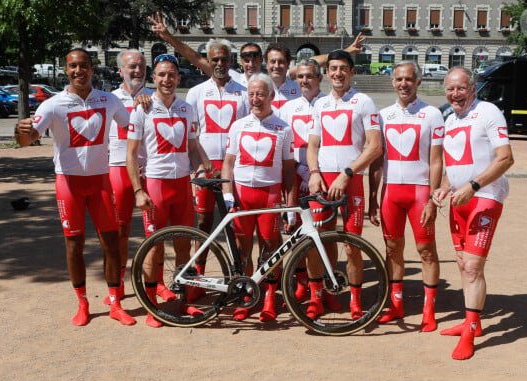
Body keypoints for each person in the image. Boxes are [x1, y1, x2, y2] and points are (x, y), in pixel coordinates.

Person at [15, 48, 136, 326]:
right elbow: (26, 140)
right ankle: (82, 304)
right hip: (68, 183)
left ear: (92, 68)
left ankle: (115, 303)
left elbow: (132, 129)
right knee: (74, 245)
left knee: (112, 244)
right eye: (73, 66)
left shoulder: (108, 101)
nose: (78, 71)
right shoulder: (54, 104)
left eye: (83, 65)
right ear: (66, 70)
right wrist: (19, 131)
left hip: (101, 182)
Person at [432, 67, 514, 360]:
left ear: (474, 88)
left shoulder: (489, 111)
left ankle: (470, 333)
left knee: (471, 267)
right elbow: (453, 164)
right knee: (462, 263)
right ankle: (472, 322)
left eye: (461, 88)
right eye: (450, 89)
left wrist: (474, 184)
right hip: (459, 201)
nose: (455, 94)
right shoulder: (450, 118)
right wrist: (444, 187)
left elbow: (506, 158)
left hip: (486, 197)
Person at [127, 53, 214, 327]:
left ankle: (184, 301)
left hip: (181, 186)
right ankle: (153, 304)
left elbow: (191, 146)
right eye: (161, 75)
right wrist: (138, 191)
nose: (167, 79)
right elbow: (131, 155)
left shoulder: (186, 108)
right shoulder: (142, 108)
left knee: (183, 247)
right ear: (154, 78)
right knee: (153, 249)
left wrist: (203, 165)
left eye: (172, 75)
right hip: (155, 184)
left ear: (178, 78)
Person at [367, 61, 444, 332]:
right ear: (392, 82)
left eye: (409, 79)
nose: (404, 84)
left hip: (420, 191)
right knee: (392, 250)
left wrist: (434, 199)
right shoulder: (382, 115)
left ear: (418, 82)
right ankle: (395, 304)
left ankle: (429, 309)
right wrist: (372, 199)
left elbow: (436, 161)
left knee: (426, 250)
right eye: (399, 79)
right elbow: (376, 162)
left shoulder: (432, 114)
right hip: (391, 192)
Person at [306, 50, 382, 320]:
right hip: (322, 181)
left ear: (351, 72)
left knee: (352, 245)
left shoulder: (363, 102)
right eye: (333, 68)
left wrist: (348, 173)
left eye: (343, 68)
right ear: (327, 73)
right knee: (317, 241)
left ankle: (355, 299)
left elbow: (375, 147)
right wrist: (314, 173)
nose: (337, 73)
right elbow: (312, 145)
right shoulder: (320, 104)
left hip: (351, 181)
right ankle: (316, 297)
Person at [221, 73, 296, 322]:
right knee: (243, 250)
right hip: (243, 194)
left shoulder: (283, 128)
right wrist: (227, 192)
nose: (255, 99)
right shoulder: (238, 125)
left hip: (270, 195)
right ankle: (247, 296)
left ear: (271, 96)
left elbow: (288, 169)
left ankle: (269, 298)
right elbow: (228, 163)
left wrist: (290, 205)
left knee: (270, 248)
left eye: (260, 93)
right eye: (251, 94)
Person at [147, 11, 367, 86]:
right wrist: (168, 37)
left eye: (254, 57)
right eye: (246, 57)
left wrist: (346, 52)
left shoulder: (271, 77)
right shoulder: (230, 77)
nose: (250, 62)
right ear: (240, 61)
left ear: (261, 60)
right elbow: (194, 57)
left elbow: (310, 62)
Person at [186, 39, 249, 242]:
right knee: (204, 222)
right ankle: (198, 270)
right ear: (208, 61)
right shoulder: (196, 92)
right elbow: (191, 134)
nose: (220, 64)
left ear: (231, 60)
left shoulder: (244, 92)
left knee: (235, 221)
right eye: (215, 59)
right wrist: (202, 165)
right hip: (207, 166)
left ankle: (236, 271)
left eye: (224, 59)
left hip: (234, 166)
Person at [105, 49, 154, 306]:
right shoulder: (110, 99)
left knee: (155, 232)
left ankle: (157, 285)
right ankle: (119, 283)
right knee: (121, 230)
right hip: (118, 169)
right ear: (120, 70)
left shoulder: (156, 97)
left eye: (141, 67)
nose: (137, 71)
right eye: (132, 67)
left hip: (149, 169)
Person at [279, 58, 325, 299]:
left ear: (319, 78)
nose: (305, 81)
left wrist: (314, 171)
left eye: (309, 76)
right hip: (296, 175)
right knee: (296, 229)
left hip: (320, 176)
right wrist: (300, 170)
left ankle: (321, 286)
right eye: (300, 77)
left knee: (321, 231)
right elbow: (285, 148)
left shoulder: (328, 103)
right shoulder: (287, 107)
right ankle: (300, 282)